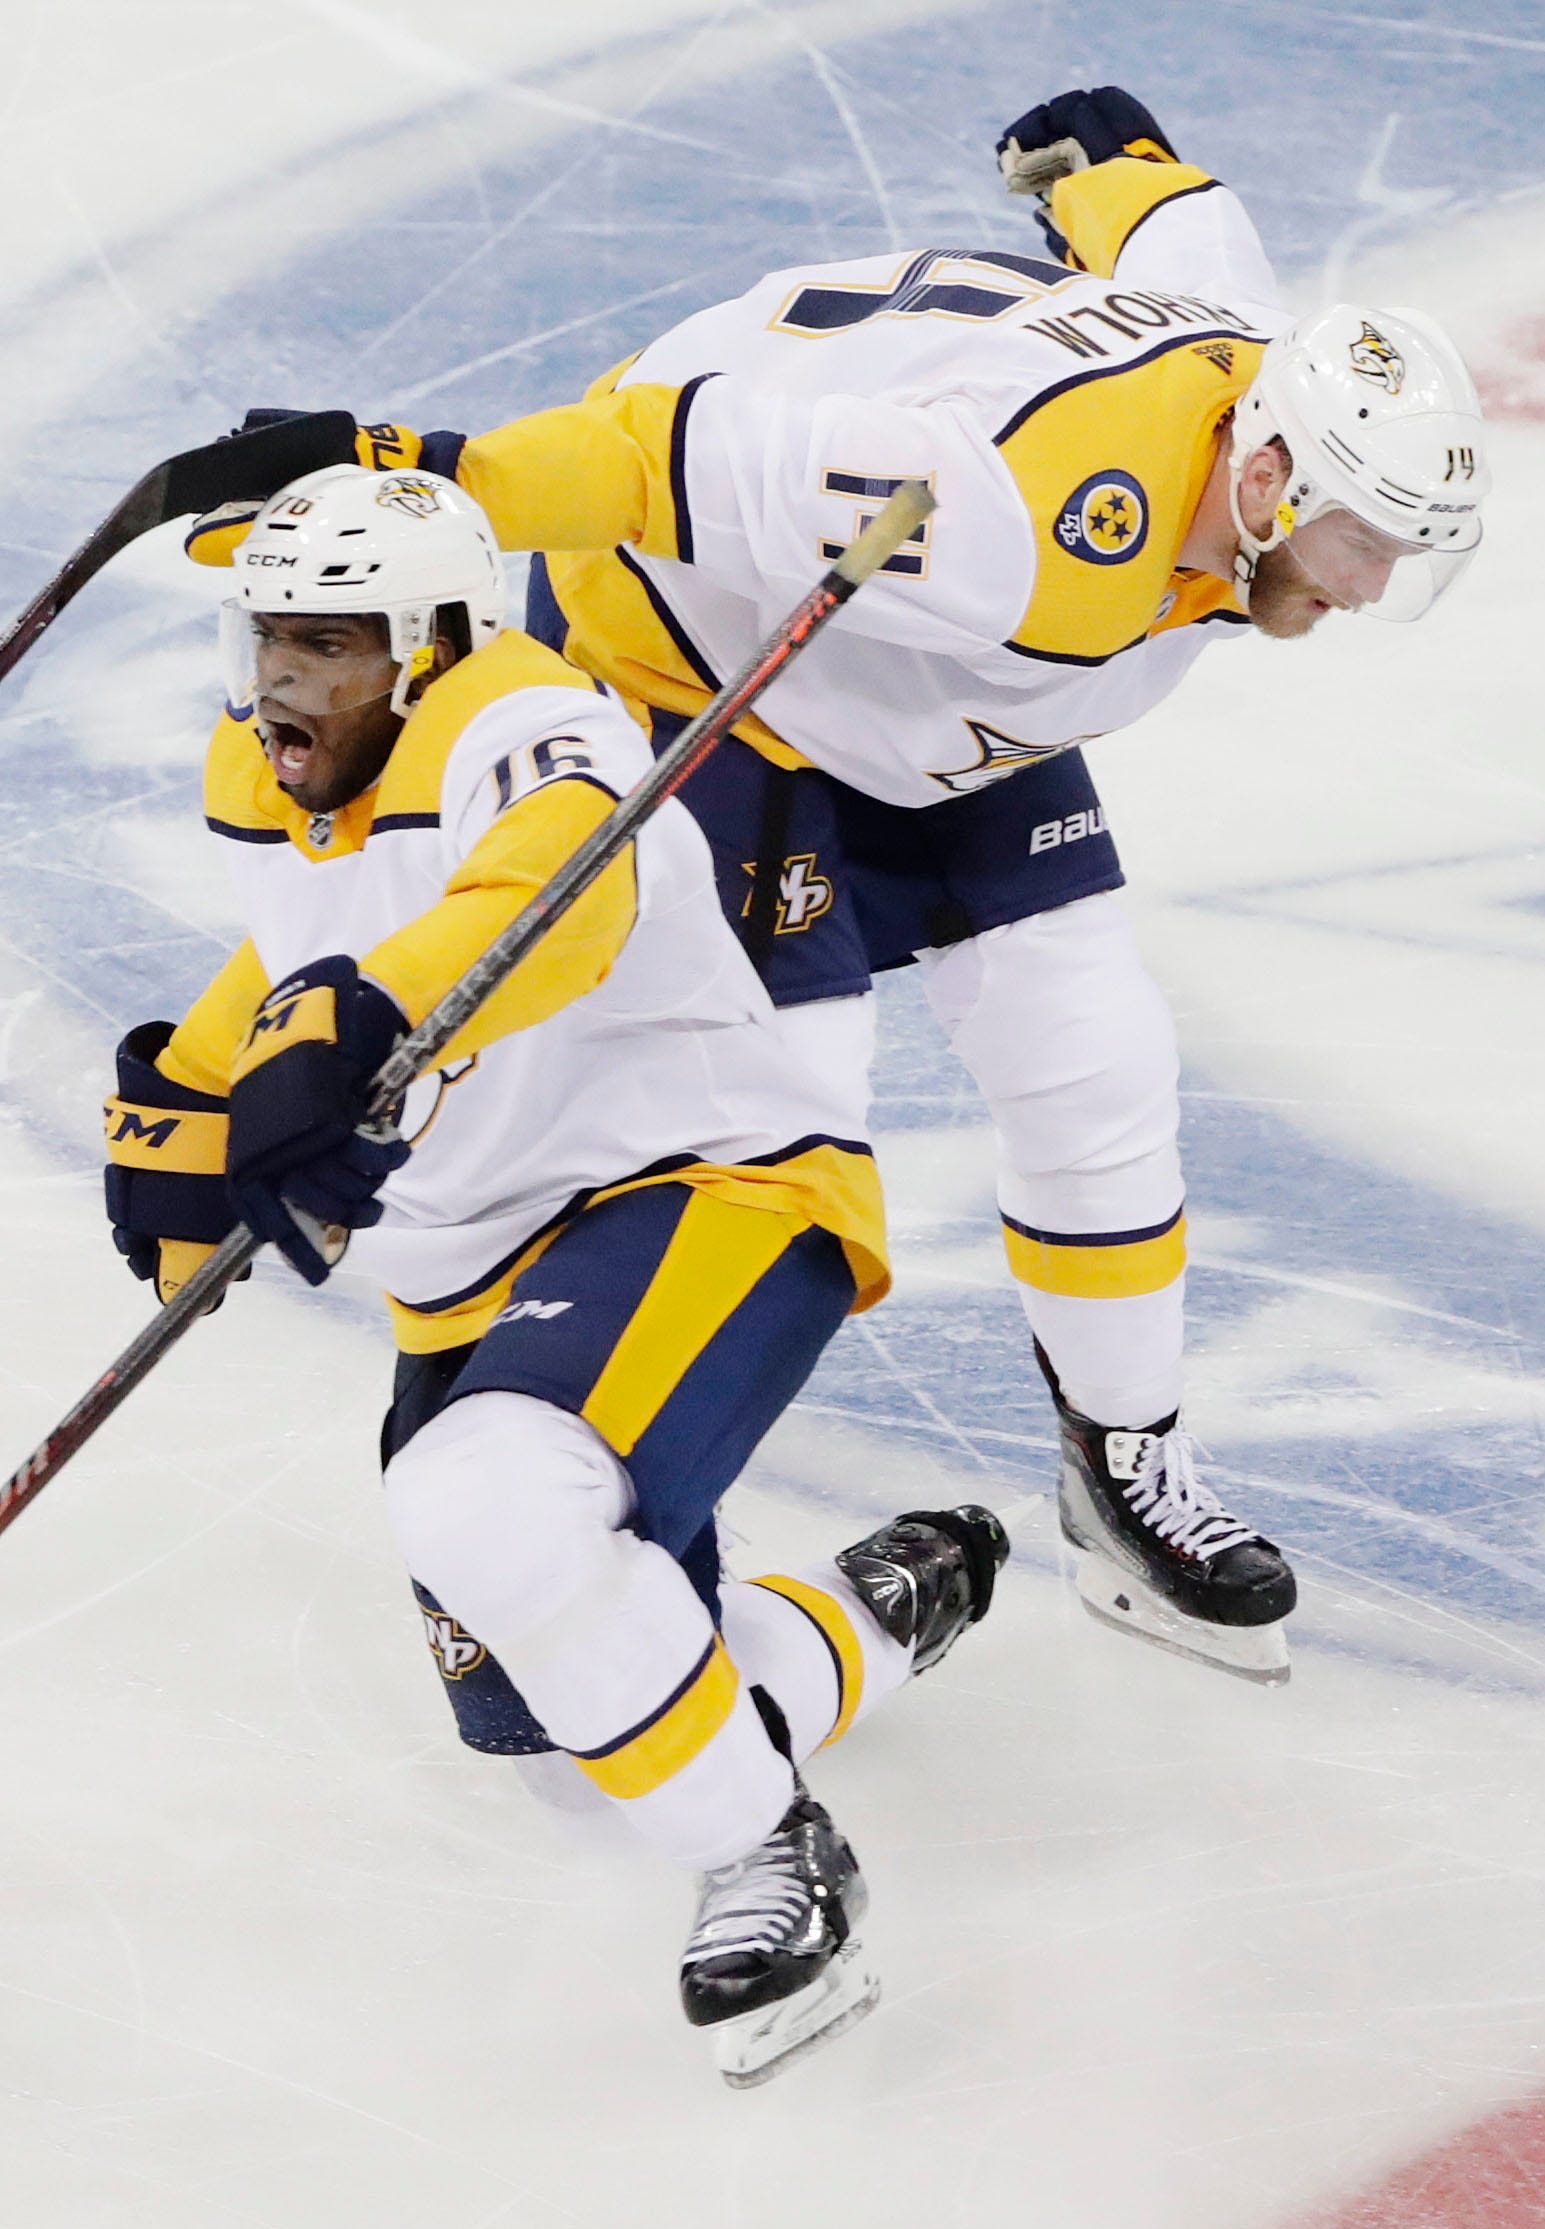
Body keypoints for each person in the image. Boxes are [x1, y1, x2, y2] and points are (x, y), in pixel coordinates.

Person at [189, 85, 1489, 1685]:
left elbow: (1159, 212)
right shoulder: (1016, 520)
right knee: (765, 1119)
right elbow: (661, 458)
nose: (1368, 590)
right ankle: (584, 1532)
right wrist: (407, 470)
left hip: (944, 700)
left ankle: (1121, 1463)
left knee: (1094, 1063)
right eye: (1364, 542)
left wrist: (1108, 156)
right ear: (1272, 468)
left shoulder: (1254, 366)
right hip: (703, 649)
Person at [105, 462, 1007, 2087]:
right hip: (467, 1262)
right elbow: (305, 926)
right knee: (568, 1748)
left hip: (696, 1183)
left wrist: (362, 1024)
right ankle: (866, 1616)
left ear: (437, 638)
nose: (285, 678)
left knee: (491, 1507)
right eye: (268, 638)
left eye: (332, 639)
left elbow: (551, 897)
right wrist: (190, 1084)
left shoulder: (532, 721)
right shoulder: (259, 763)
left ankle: (778, 1857)